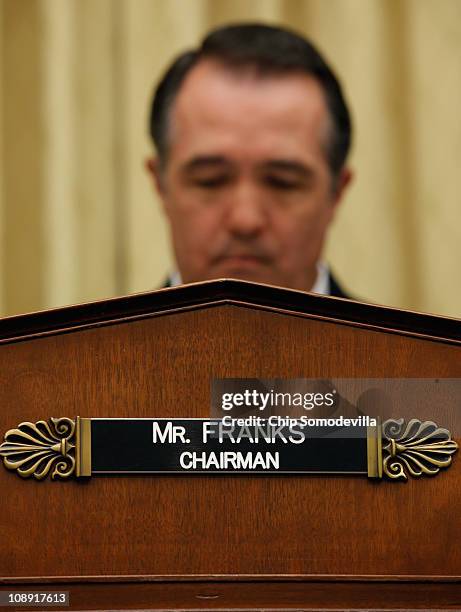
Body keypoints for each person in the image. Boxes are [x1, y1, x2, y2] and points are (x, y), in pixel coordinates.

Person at [146, 22, 353, 298]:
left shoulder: (410, 343)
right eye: (210, 181)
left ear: (336, 192)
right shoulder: (93, 343)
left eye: (283, 183)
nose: (245, 220)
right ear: (160, 185)